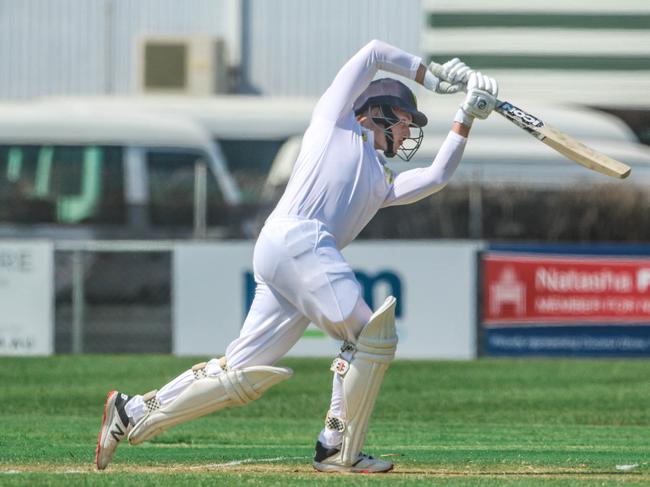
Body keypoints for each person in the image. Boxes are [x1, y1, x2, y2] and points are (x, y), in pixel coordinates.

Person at [96, 40, 498, 474]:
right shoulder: (334, 122)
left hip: (284, 251)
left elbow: (437, 176)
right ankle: (337, 447)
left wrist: (466, 116)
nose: (407, 132)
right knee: (371, 337)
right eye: (405, 121)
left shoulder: (381, 182)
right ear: (377, 109)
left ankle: (131, 412)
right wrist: (431, 76)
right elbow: (372, 53)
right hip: (299, 239)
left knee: (241, 372)